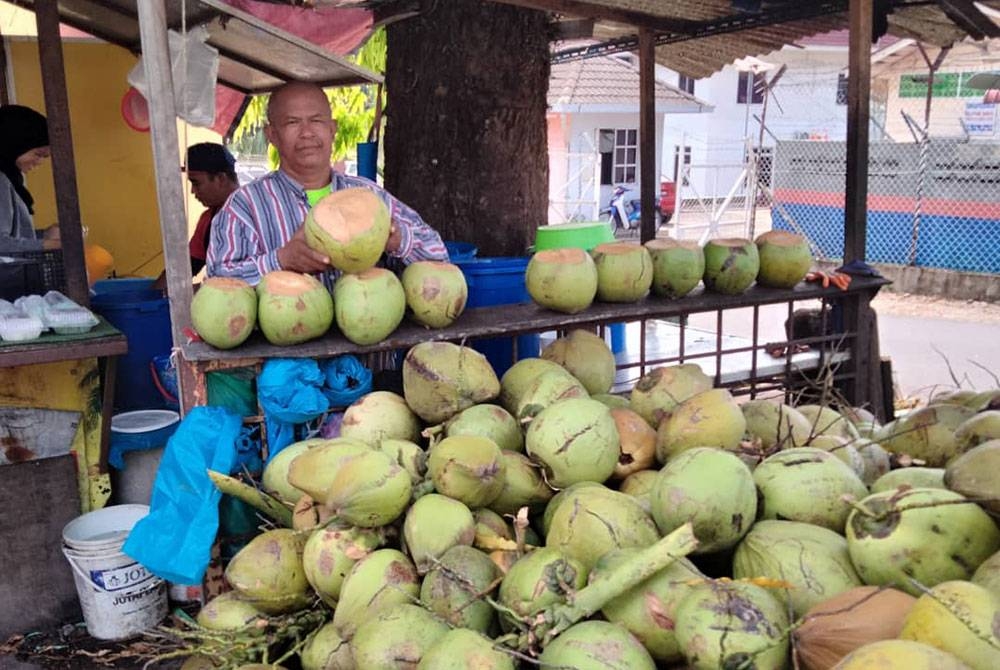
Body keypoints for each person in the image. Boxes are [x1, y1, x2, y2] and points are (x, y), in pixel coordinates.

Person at [207, 81, 447, 286]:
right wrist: (280, 260)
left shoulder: (368, 196)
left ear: (332, 129)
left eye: (316, 121)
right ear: (271, 135)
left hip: (369, 335)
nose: (307, 132)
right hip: (289, 337)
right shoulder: (244, 206)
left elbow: (439, 258)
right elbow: (218, 282)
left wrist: (397, 239)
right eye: (292, 122)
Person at [154, 143, 240, 291]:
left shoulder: (256, 214)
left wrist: (192, 291)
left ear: (221, 178)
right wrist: (150, 296)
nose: (193, 191)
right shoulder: (207, 220)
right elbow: (185, 267)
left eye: (196, 183)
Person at [0, 104, 50, 252]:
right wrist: (47, 245)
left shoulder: (11, 180)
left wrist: (44, 235)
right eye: (38, 154)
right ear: (14, 144)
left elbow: (12, 238)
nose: (40, 161)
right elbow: (2, 245)